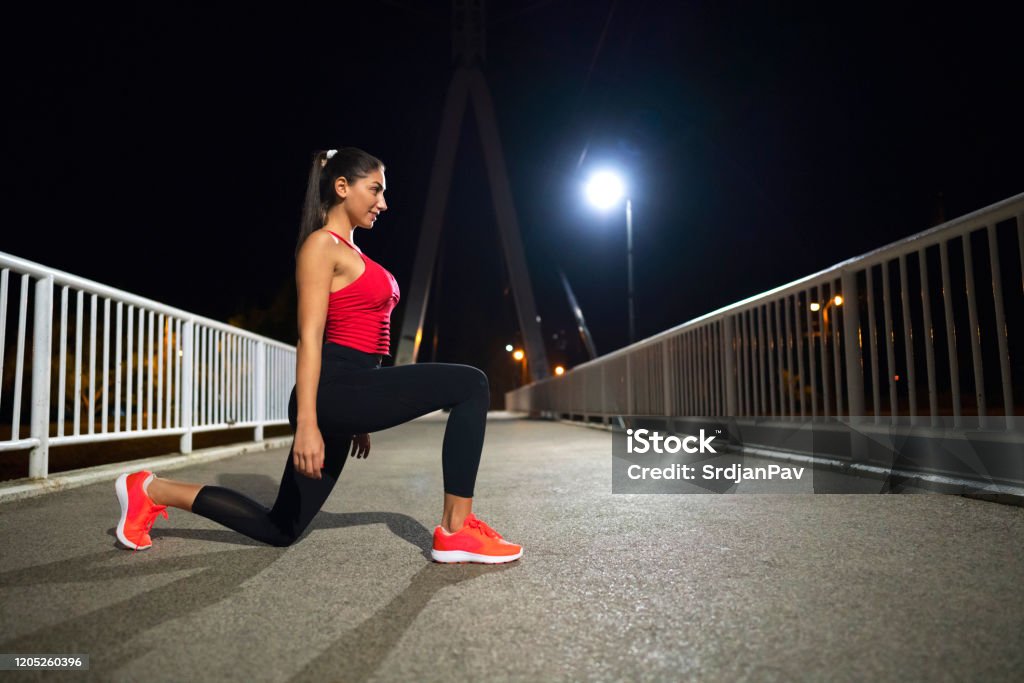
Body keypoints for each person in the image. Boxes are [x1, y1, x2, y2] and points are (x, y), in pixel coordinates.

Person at [114, 147, 522, 564]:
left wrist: (362, 413)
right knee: (472, 384)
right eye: (376, 190)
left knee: (280, 528)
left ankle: (148, 489)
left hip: (351, 392)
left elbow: (365, 345)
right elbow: (310, 339)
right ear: (342, 187)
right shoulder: (320, 246)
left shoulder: (356, 253)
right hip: (331, 389)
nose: (384, 203)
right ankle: (456, 530)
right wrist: (310, 422)